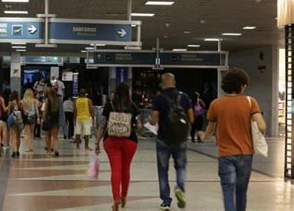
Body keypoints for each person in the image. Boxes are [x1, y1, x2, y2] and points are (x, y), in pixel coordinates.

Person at [202, 68, 266, 211]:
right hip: (245, 154)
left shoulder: (216, 104)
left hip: (225, 154)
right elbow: (262, 126)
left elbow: (209, 130)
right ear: (242, 85)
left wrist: (203, 136)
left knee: (228, 191)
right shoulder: (250, 102)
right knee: (241, 191)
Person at [150, 73, 194, 210]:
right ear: (174, 82)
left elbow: (153, 120)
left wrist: (152, 120)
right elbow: (191, 118)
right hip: (180, 139)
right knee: (180, 167)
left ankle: (166, 202)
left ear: (162, 83)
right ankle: (179, 188)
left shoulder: (158, 98)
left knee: (163, 171)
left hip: (163, 139)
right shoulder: (184, 96)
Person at [94, 83, 140, 211]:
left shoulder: (109, 105)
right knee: (126, 169)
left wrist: (97, 142)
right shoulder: (132, 106)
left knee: (115, 169)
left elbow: (102, 125)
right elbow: (139, 125)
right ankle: (124, 196)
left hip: (111, 140)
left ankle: (116, 199)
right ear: (128, 92)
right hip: (130, 141)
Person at [42, 87, 61, 157]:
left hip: (48, 118)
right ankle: (55, 150)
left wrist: (42, 119)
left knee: (48, 136)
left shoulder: (48, 100)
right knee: (55, 136)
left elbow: (45, 111)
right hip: (55, 119)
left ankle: (49, 151)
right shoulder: (58, 100)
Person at [8, 90, 23, 158]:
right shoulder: (20, 103)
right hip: (19, 120)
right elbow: (24, 111)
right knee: (18, 136)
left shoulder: (10, 103)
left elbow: (8, 112)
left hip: (13, 120)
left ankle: (14, 150)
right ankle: (18, 151)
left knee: (13, 136)